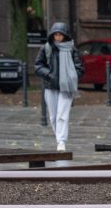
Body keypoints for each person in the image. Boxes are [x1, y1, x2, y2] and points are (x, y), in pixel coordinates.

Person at [35, 22, 83, 151]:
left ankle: (61, 141)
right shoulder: (46, 48)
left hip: (66, 87)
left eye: (60, 35)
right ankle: (59, 138)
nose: (57, 37)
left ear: (65, 35)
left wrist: (72, 76)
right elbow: (38, 66)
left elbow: (79, 68)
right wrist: (49, 74)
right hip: (50, 86)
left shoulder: (72, 49)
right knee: (53, 117)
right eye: (55, 34)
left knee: (62, 114)